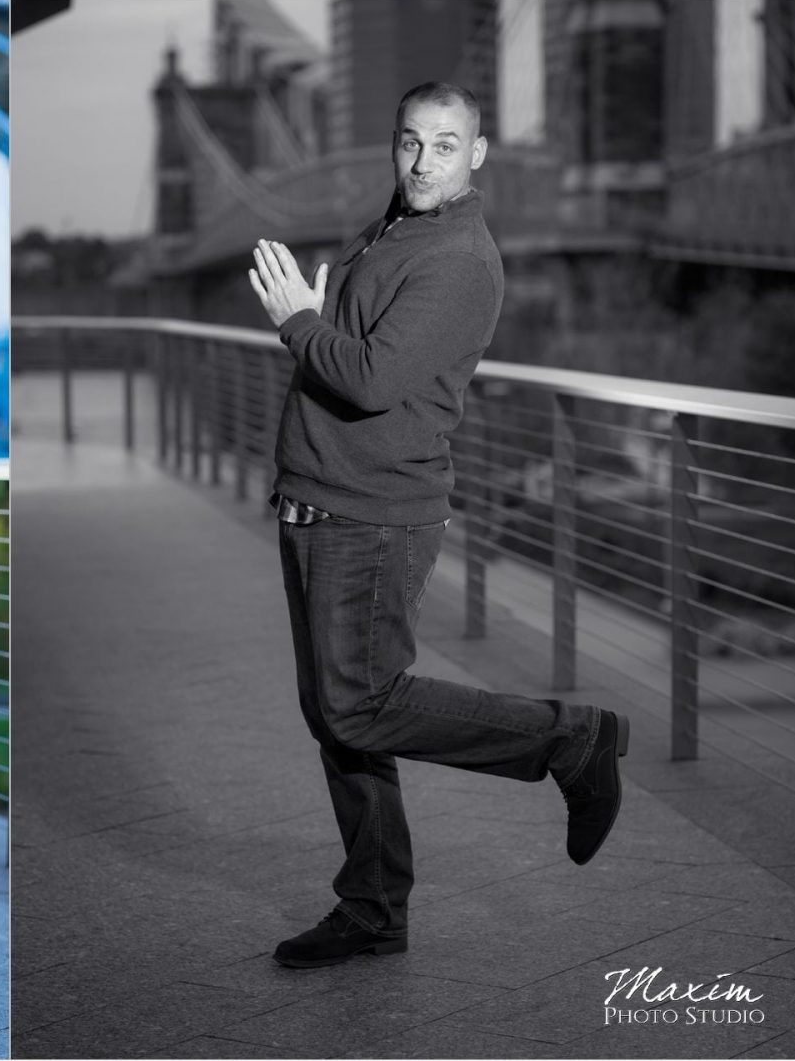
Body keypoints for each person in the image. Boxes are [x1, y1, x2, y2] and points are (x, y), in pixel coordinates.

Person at [246, 81, 629, 970]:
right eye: (411, 142)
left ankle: (573, 741)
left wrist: (296, 319)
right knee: (336, 716)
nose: (423, 162)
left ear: (478, 154)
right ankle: (373, 905)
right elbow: (356, 346)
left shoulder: (458, 257)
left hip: (370, 516)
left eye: (446, 146)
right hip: (317, 498)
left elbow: (374, 380)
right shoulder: (397, 226)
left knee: (362, 702)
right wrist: (316, 314)